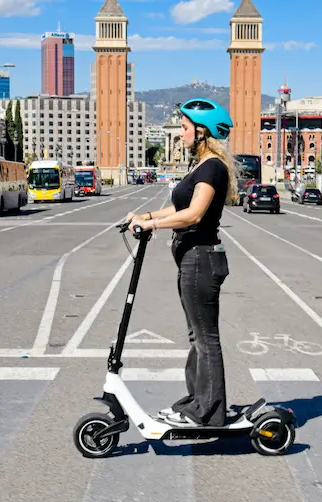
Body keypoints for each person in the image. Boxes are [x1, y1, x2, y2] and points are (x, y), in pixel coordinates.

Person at [126, 98, 238, 428]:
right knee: (197, 339)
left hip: (201, 260)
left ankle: (209, 411)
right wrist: (143, 214)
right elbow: (178, 208)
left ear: (203, 133)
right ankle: (197, 401)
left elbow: (194, 214)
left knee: (206, 340)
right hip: (192, 259)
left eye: (186, 129)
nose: (182, 134)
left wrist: (150, 225)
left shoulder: (212, 167)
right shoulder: (200, 167)